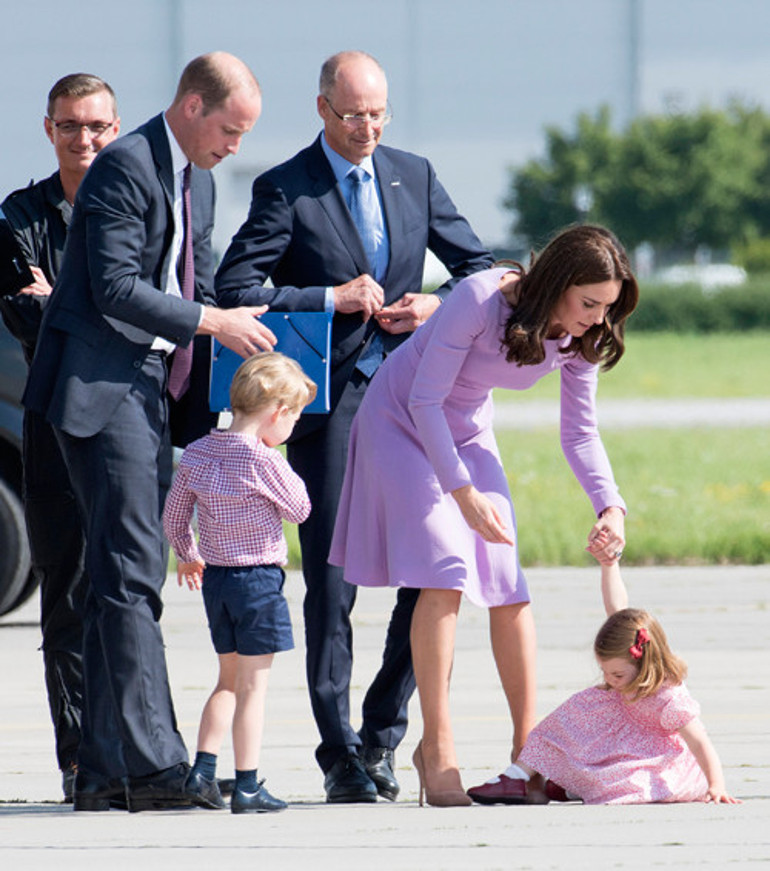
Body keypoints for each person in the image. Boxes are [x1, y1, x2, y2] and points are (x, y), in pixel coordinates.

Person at [215, 49, 494, 803]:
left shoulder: (415, 175)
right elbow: (234, 286)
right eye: (352, 115)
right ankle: (338, 753)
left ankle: (381, 736)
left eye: (378, 114)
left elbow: (481, 268)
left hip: (409, 398)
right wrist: (327, 297)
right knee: (331, 580)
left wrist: (436, 303)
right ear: (322, 110)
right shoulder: (285, 187)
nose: (367, 128)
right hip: (328, 401)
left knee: (433, 569)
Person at [23, 52, 276, 812]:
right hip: (103, 388)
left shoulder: (196, 177)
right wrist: (213, 322)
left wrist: (278, 313)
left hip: (149, 389)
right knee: (132, 574)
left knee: (121, 578)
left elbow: (203, 282)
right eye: (229, 129)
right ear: (193, 106)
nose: (235, 146)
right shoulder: (125, 167)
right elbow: (116, 287)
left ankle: (107, 772)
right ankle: (154, 764)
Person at [329, 224, 638, 806]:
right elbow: (424, 400)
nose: (599, 319)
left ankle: (530, 755)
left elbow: (580, 432)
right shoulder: (480, 298)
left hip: (467, 430)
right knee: (445, 570)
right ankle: (437, 748)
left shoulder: (584, 339)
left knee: (506, 581)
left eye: (608, 307)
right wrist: (464, 494)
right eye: (589, 303)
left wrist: (611, 505)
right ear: (557, 283)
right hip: (401, 420)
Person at [0, 73, 120, 801]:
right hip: (50, 429)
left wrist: (64, 300)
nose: (85, 139)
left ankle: (133, 750)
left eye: (97, 126)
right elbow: (25, 318)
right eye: (70, 125)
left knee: (128, 594)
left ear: (116, 129)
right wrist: (106, 307)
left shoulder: (134, 208)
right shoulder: (16, 216)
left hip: (129, 426)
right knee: (68, 596)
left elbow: (162, 307)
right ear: (49, 129)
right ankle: (79, 758)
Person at [163, 352, 315, 814]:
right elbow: (300, 510)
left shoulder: (198, 452)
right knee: (253, 688)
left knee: (226, 681)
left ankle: (202, 770)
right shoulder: (264, 461)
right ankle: (248, 784)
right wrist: (279, 463)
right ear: (278, 412)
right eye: (294, 418)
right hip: (258, 582)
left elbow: (174, 517)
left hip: (217, 581)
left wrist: (188, 555)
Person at [467, 566, 740, 805]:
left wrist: (716, 784)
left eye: (617, 674)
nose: (609, 679)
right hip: (622, 738)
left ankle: (571, 787)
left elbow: (700, 743)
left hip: (656, 759)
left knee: (625, 781)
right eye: (604, 672)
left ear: (645, 664)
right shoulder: (623, 665)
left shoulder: (669, 699)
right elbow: (615, 606)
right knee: (574, 712)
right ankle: (516, 776)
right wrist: (609, 564)